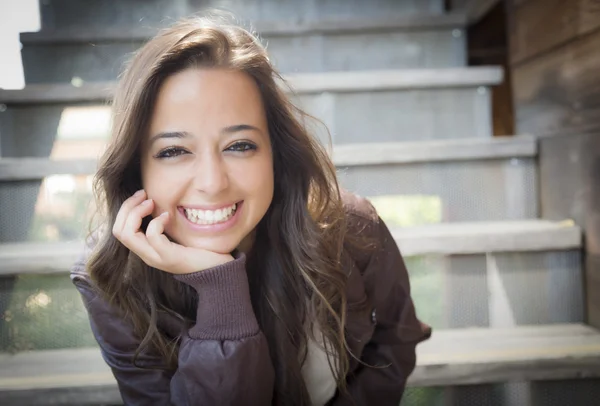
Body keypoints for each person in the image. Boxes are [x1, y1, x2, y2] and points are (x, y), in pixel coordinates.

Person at [71, 14, 431, 406]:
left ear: (276, 152)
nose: (212, 182)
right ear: (136, 168)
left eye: (239, 145)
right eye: (174, 151)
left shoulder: (350, 227)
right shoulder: (111, 277)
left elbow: (395, 341)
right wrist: (219, 289)